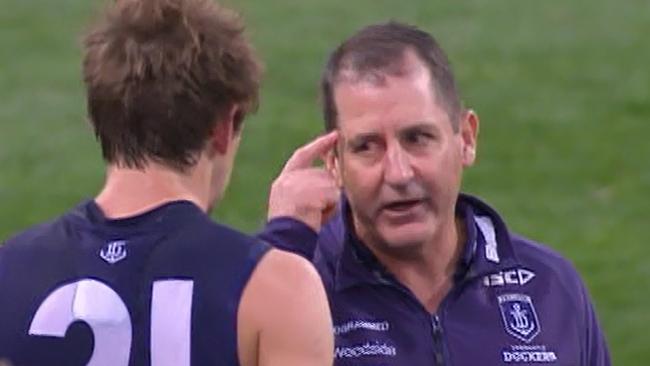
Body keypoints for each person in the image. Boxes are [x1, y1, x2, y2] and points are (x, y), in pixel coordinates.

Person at [0, 0, 334, 365]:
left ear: (99, 115)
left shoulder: (9, 273)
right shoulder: (278, 292)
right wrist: (284, 247)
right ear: (222, 127)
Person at [261, 21, 611, 365]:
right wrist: (280, 256)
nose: (398, 173)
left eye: (417, 139)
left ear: (467, 139)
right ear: (334, 163)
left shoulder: (550, 288)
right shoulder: (295, 291)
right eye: (367, 146)